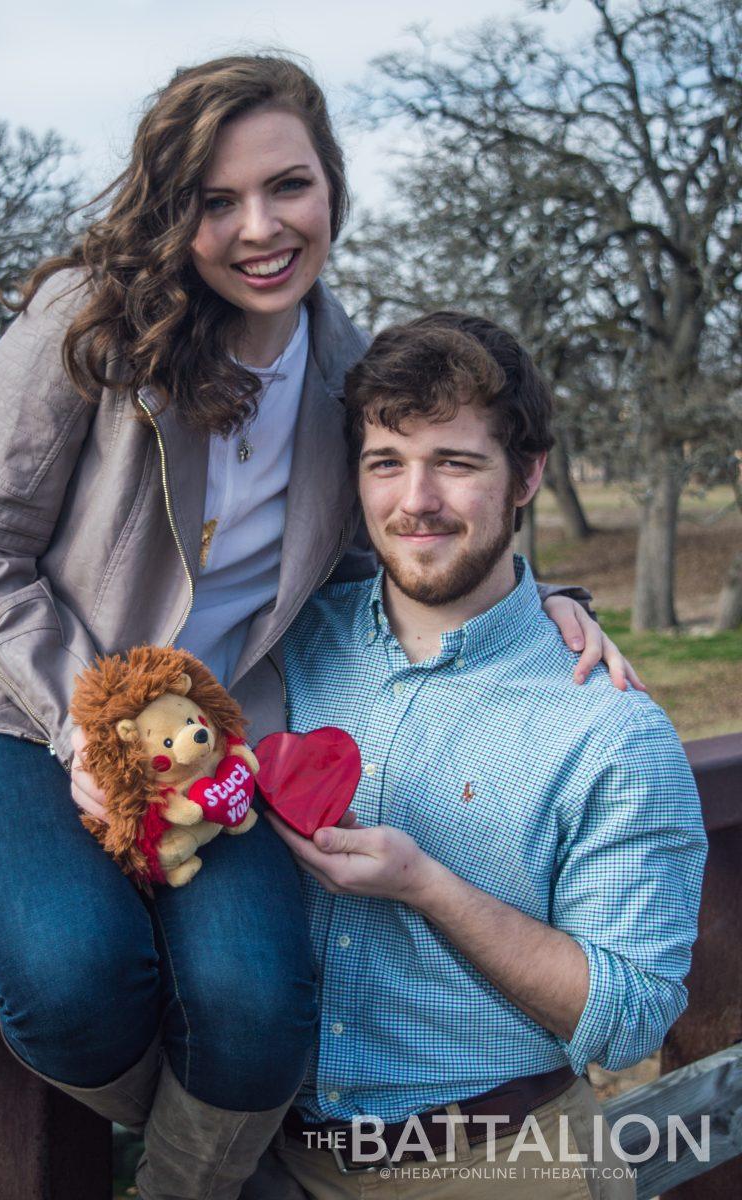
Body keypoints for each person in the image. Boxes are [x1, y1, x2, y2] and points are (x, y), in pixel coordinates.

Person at [0, 56, 634, 1200]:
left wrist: (545, 605)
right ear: (171, 210)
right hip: (4, 707)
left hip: (207, 745)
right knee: (75, 975)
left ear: (332, 184)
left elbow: (374, 554)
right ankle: (247, 1166)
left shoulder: (345, 374)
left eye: (290, 186)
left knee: (258, 1002)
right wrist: (89, 729)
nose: (260, 228)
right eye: (216, 201)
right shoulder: (82, 326)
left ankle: (192, 1182)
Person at [253, 312, 707, 1199]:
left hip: (503, 1165)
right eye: (387, 463)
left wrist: (429, 887)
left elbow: (631, 1019)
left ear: (527, 474)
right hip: (272, 1161)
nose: (414, 499)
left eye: (455, 464)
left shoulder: (608, 729)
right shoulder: (286, 646)